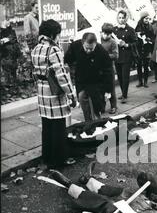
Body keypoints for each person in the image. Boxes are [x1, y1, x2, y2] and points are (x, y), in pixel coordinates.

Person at [31, 19, 76, 169]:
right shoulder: (53, 50)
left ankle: (47, 158)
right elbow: (61, 75)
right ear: (52, 34)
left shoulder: (36, 49)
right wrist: (71, 94)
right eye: (58, 34)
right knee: (59, 127)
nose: (58, 37)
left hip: (42, 92)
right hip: (54, 93)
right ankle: (59, 160)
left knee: (47, 126)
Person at [65, 32, 112, 121]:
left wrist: (108, 90)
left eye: (91, 49)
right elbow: (67, 59)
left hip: (96, 81)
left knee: (97, 106)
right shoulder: (75, 46)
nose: (89, 51)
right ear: (82, 43)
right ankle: (88, 121)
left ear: (95, 44)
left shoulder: (101, 51)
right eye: (86, 48)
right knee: (82, 99)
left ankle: (97, 120)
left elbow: (108, 71)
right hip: (81, 79)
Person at [113, 10, 137, 104]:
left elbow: (136, 42)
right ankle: (123, 92)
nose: (121, 20)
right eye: (119, 18)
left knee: (125, 76)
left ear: (126, 18)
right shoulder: (114, 30)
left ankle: (125, 95)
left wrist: (127, 45)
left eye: (123, 18)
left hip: (126, 56)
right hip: (118, 56)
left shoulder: (130, 29)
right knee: (119, 76)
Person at [101, 23, 119, 114]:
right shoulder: (98, 41)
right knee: (101, 89)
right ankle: (102, 107)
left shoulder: (113, 42)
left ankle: (114, 106)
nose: (106, 36)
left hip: (109, 69)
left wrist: (105, 56)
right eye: (104, 33)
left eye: (108, 34)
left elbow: (116, 55)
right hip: (100, 69)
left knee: (111, 88)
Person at [135, 11, 155, 88]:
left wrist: (150, 40)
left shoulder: (150, 26)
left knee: (146, 66)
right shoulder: (138, 26)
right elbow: (135, 36)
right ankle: (140, 81)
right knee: (139, 66)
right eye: (146, 18)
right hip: (139, 48)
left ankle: (145, 82)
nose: (147, 20)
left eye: (148, 18)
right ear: (142, 18)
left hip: (147, 48)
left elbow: (153, 37)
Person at [0, 19, 22, 89]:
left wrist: (8, 39)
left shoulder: (11, 31)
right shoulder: (1, 32)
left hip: (12, 55)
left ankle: (14, 86)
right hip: (5, 54)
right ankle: (8, 86)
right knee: (6, 71)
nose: (6, 23)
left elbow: (14, 39)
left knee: (13, 71)